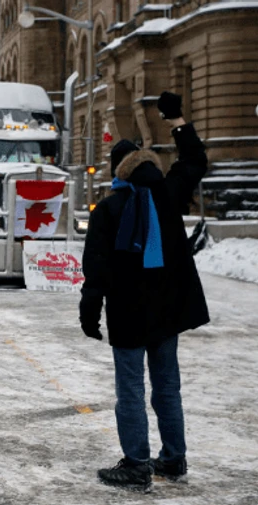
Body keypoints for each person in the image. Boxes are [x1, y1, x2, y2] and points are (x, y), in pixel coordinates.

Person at [79, 91, 210, 492]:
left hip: (128, 313)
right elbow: (195, 162)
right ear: (148, 165)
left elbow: (97, 268)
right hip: (167, 312)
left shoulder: (109, 209)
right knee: (167, 387)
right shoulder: (169, 194)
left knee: (131, 391)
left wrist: (90, 310)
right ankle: (172, 459)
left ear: (119, 171)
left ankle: (136, 464)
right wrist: (177, 120)